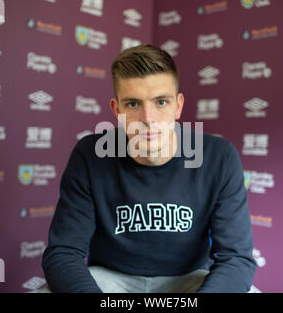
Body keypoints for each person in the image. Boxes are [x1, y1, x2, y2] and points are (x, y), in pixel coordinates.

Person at [41, 44, 256, 293]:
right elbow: (63, 253)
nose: (148, 118)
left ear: (178, 106)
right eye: (133, 104)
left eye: (161, 102)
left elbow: (237, 259)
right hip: (111, 280)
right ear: (116, 109)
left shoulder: (218, 156)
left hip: (188, 281)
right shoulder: (90, 154)